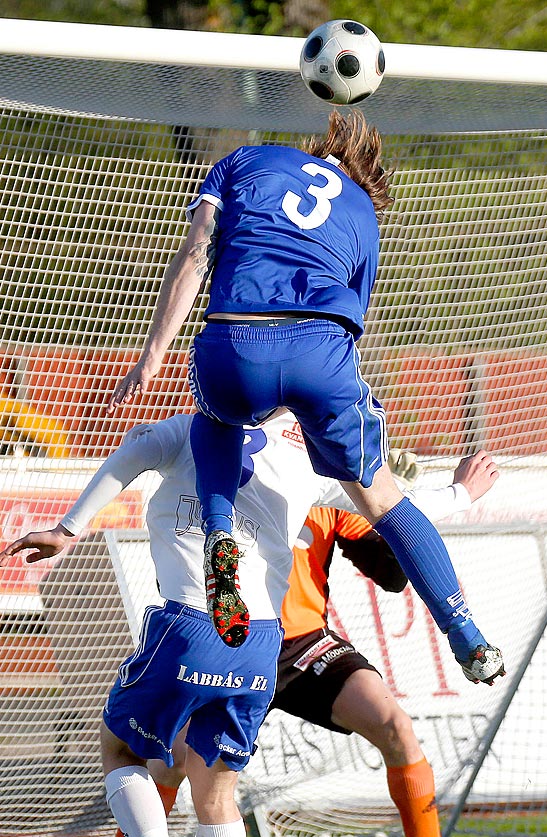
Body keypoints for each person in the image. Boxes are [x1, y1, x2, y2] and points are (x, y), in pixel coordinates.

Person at [0, 410, 493, 837]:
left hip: (202, 626)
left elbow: (128, 457)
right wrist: (457, 492)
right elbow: (399, 512)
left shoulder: (186, 429)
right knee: (214, 787)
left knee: (125, 750)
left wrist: (67, 529)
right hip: (259, 642)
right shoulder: (311, 459)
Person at [106, 110, 503, 691]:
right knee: (383, 500)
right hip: (320, 354)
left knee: (216, 419)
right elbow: (352, 322)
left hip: (235, 343)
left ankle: (219, 539)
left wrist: (153, 353)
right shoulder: (362, 212)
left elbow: (196, 254)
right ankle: (465, 633)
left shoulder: (243, 161)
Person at [67, 498, 491, 837]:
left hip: (306, 647)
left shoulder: (327, 494)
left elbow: (391, 576)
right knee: (171, 761)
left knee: (394, 725)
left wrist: (400, 508)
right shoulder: (223, 484)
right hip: (234, 646)